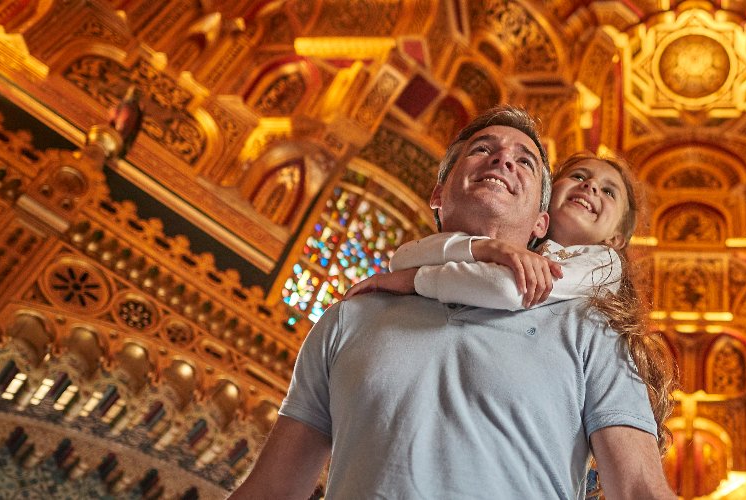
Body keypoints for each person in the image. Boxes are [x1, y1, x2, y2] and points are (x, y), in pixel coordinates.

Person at [229, 107, 675, 500]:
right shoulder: (352, 315)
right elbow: (272, 489)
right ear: (438, 193)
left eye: (525, 161)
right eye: (483, 149)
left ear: (541, 223)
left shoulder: (592, 327)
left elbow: (638, 488)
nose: (503, 159)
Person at [344, 152, 677, 452]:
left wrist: (414, 280)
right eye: (578, 176)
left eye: (608, 191)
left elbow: (508, 288)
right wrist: (486, 248)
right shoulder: (514, 245)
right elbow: (406, 255)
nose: (590, 186)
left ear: (616, 238)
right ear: (543, 205)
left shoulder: (604, 264)